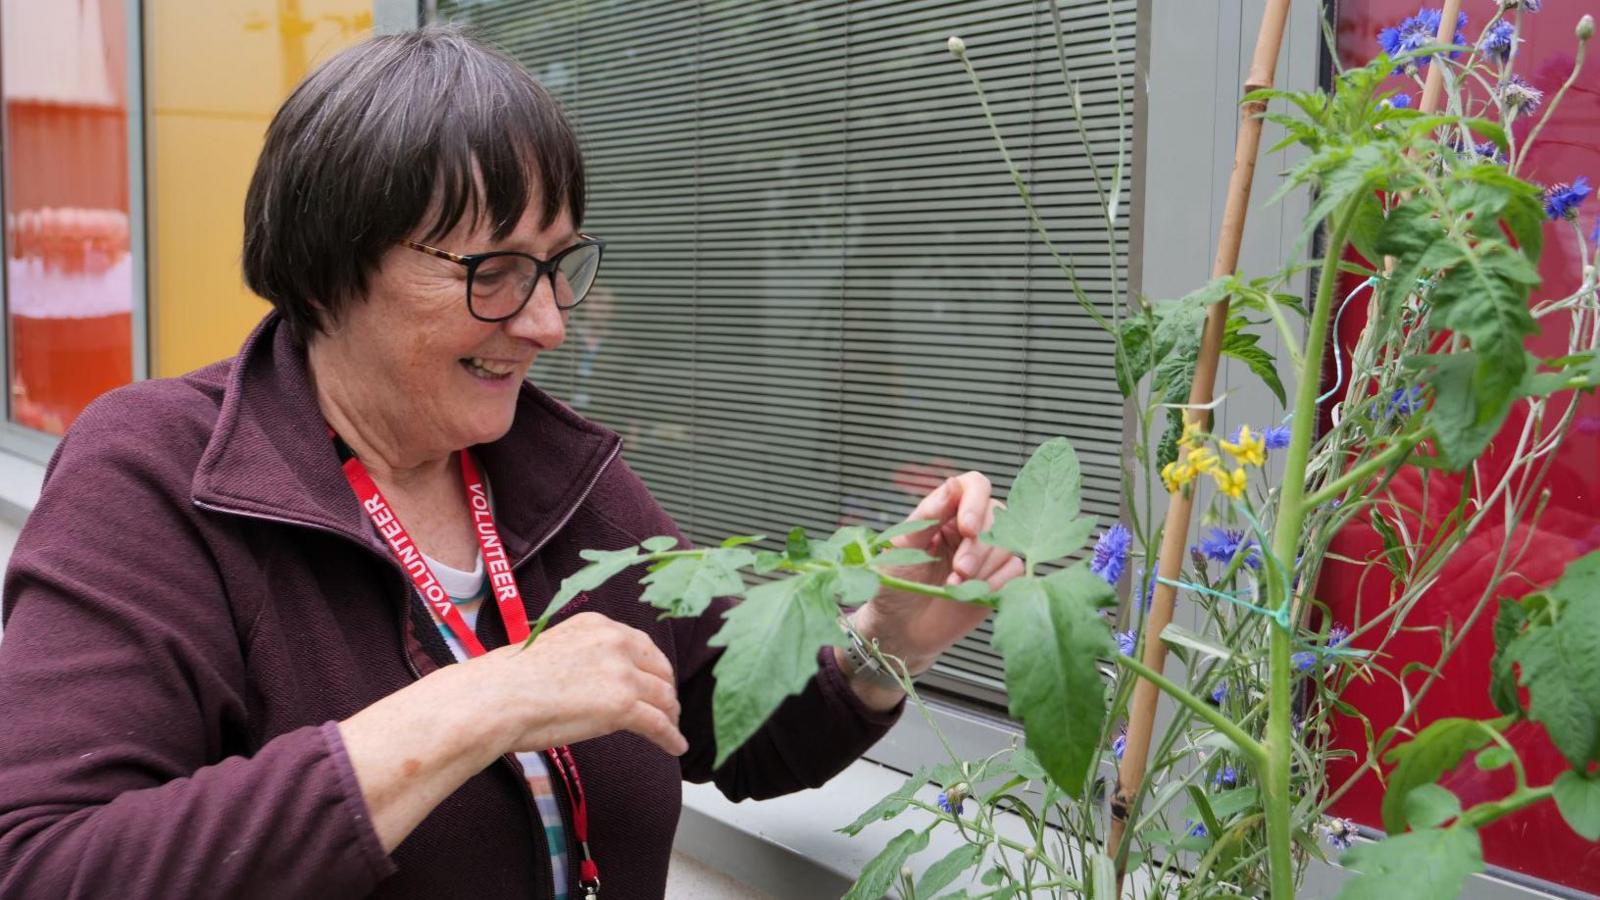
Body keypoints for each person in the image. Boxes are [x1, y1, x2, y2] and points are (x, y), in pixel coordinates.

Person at [0, 26, 1022, 899]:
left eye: (557, 264)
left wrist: (883, 640)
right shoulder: (157, 475)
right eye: (492, 272)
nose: (545, 322)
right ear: (328, 266)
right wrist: (478, 704)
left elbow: (719, 722)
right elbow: (45, 865)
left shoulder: (546, 467)